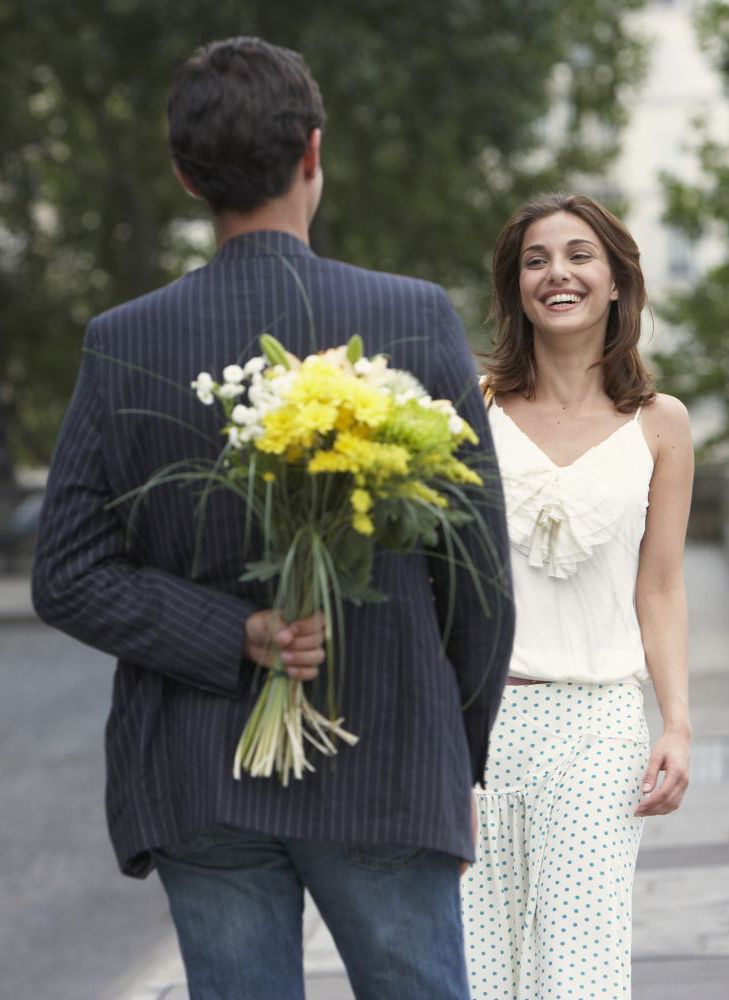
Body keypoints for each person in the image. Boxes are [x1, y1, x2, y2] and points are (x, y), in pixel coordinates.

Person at [31, 37, 514, 1000]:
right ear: (313, 154)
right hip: (389, 763)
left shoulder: (121, 342)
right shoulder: (414, 318)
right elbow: (479, 578)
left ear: (183, 175)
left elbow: (68, 572)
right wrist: (452, 761)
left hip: (200, 778)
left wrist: (235, 632)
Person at [462, 192, 693, 999]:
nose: (556, 272)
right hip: (478, 728)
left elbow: (659, 586)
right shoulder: (468, 411)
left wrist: (677, 725)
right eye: (534, 260)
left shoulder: (659, 424)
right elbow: (438, 585)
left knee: (577, 971)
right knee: (478, 970)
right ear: (514, 288)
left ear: (616, 281)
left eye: (577, 255)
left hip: (597, 725)